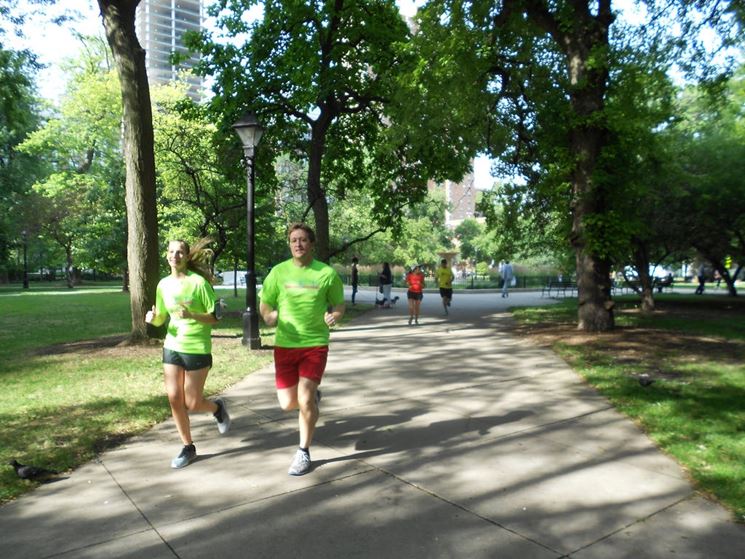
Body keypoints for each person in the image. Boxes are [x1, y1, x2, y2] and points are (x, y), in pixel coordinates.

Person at [259, 223, 345, 476]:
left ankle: (303, 452)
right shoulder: (278, 272)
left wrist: (335, 316)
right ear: (289, 244)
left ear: (312, 244)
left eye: (303, 240)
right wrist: (268, 316)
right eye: (294, 240)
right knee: (288, 404)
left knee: (304, 399)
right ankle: (312, 399)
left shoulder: (326, 273)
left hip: (314, 344)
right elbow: (265, 303)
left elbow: (339, 304)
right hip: (285, 345)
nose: (298, 244)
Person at [145, 239, 231, 469]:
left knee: (192, 402)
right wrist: (154, 319)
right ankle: (187, 446)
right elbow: (163, 316)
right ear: (167, 256)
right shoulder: (163, 284)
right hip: (172, 345)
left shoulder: (199, 283)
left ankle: (217, 408)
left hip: (197, 348)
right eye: (172, 251)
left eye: (180, 252)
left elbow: (215, 317)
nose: (176, 255)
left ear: (186, 256)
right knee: (174, 398)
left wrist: (192, 315)